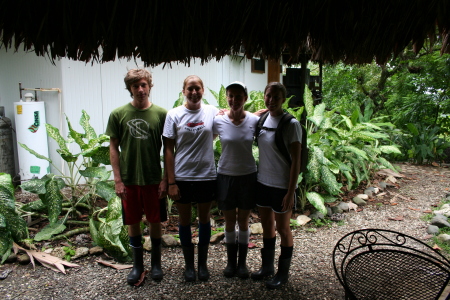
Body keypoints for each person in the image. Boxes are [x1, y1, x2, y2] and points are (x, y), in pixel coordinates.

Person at [106, 68, 167, 285]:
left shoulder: (161, 114)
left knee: (155, 220)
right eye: (135, 86)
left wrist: (166, 179)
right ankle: (137, 265)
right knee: (133, 221)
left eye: (143, 85)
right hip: (129, 179)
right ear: (129, 89)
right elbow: (113, 147)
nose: (140, 90)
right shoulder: (118, 114)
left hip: (152, 178)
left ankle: (157, 264)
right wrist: (118, 180)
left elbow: (168, 148)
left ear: (150, 86)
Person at [163, 75, 218, 282]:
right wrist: (171, 182)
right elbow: (168, 149)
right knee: (184, 221)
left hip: (206, 176)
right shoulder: (174, 114)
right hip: (182, 177)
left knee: (204, 220)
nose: (194, 92)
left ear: (203, 90)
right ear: (183, 91)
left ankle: (202, 265)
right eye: (190, 89)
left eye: (197, 88)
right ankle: (188, 266)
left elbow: (234, 118)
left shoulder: (212, 112)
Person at [251, 82, 302, 289]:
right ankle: (267, 267)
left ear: (283, 99)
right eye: (268, 96)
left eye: (276, 97)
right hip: (263, 182)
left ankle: (283, 273)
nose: (271, 100)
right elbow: (240, 119)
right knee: (266, 227)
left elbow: (296, 161)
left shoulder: (291, 124)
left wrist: (291, 192)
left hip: (282, 185)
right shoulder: (262, 119)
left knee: (283, 228)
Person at [213, 81, 259, 279]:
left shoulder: (254, 120)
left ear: (245, 99)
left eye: (238, 96)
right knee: (230, 221)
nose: (234, 100)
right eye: (230, 96)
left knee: (244, 220)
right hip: (226, 175)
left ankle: (243, 265)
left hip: (248, 176)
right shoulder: (218, 120)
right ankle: (231, 263)